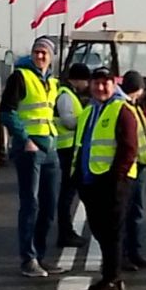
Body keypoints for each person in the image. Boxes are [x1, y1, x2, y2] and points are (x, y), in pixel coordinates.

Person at [73, 66, 138, 290]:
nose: (101, 88)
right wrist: (76, 176)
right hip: (90, 181)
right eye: (97, 83)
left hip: (113, 182)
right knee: (100, 231)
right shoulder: (89, 111)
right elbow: (81, 146)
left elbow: (130, 148)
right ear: (91, 85)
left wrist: (116, 177)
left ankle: (112, 277)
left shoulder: (122, 110)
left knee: (112, 232)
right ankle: (112, 275)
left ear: (114, 85)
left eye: (106, 83)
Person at [0, 36, 60, 278]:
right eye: (37, 51)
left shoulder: (53, 83)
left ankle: (41, 256)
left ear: (51, 56)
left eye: (45, 52)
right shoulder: (20, 77)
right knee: (30, 204)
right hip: (30, 151)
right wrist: (25, 140)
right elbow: (6, 111)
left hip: (50, 150)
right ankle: (29, 258)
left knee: (49, 206)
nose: (40, 56)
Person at [121, 70, 146, 271]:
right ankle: (125, 254)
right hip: (131, 167)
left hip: (138, 165)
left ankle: (134, 253)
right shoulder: (125, 106)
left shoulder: (133, 106)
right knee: (128, 212)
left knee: (135, 211)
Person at [55, 61, 90, 249]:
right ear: (77, 80)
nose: (87, 85)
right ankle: (65, 233)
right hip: (66, 149)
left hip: (70, 149)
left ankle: (68, 231)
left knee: (69, 194)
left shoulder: (70, 95)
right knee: (67, 195)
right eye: (85, 81)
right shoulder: (66, 96)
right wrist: (87, 116)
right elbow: (69, 122)